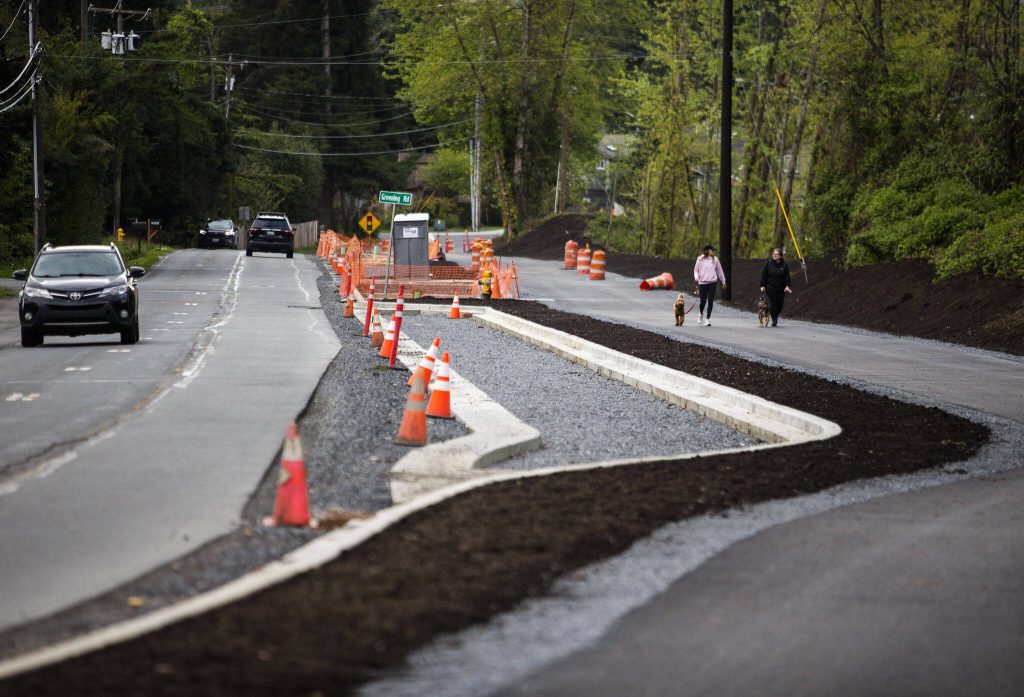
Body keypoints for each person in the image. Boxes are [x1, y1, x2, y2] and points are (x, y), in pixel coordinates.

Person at [693, 244, 727, 326]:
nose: (713, 251)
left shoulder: (715, 259)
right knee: (703, 301)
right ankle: (700, 314)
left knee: (711, 300)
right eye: (711, 250)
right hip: (702, 283)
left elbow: (720, 271)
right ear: (707, 251)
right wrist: (697, 277)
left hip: (712, 282)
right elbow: (695, 271)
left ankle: (707, 319)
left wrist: (723, 281)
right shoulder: (699, 260)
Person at [759, 247, 792, 327]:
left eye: (776, 254)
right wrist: (762, 285)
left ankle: (773, 313)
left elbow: (787, 277)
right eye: (773, 254)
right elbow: (764, 275)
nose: (774, 255)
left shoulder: (784, 265)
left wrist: (787, 286)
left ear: (780, 256)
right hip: (770, 287)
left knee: (780, 305)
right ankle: (774, 320)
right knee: (773, 303)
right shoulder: (768, 263)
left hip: (781, 288)